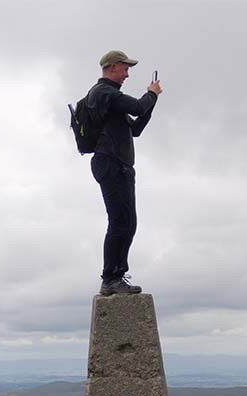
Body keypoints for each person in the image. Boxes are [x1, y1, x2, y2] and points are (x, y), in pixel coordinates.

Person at [88, 50, 162, 295]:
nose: (127, 74)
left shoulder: (113, 100)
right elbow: (139, 107)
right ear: (112, 68)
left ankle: (116, 275)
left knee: (128, 222)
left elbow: (137, 127)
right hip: (110, 163)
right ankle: (111, 277)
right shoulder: (105, 93)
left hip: (119, 165)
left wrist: (153, 101)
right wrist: (151, 94)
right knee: (120, 221)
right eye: (125, 68)